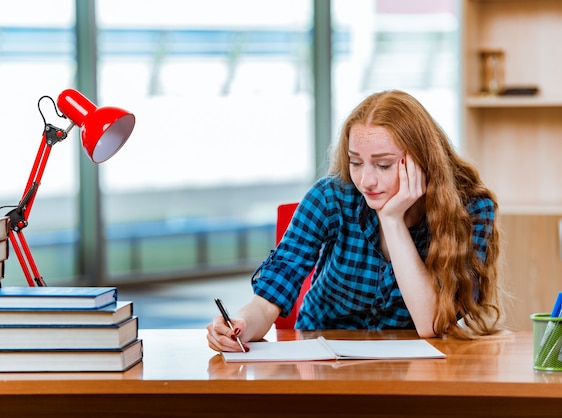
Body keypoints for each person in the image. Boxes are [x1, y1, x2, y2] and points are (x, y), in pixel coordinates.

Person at [207, 90, 504, 352]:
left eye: (384, 164)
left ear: (422, 161)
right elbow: (269, 298)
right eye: (356, 162)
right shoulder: (331, 196)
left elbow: (433, 324)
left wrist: (392, 220)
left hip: (412, 366)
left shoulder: (472, 208)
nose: (366, 180)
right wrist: (240, 324)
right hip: (319, 356)